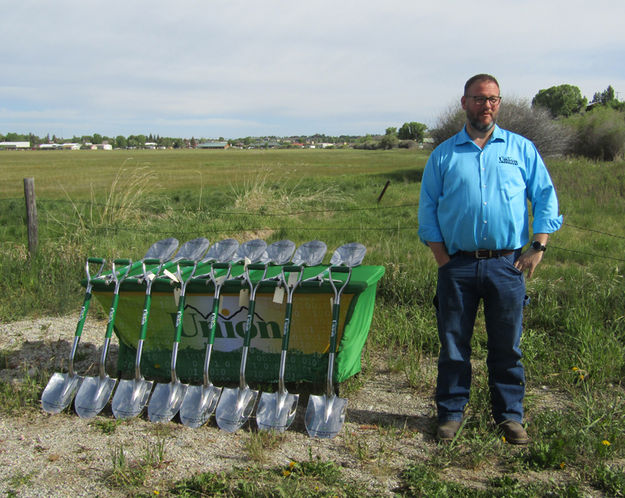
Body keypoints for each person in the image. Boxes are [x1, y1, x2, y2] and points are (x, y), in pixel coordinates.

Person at [417, 74, 562, 444]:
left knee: (507, 347)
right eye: (479, 99)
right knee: (453, 347)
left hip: (507, 265)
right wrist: (441, 257)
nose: (487, 106)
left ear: (500, 103)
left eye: (493, 99)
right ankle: (450, 414)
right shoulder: (445, 154)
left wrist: (538, 245)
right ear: (464, 102)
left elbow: (544, 195)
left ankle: (510, 417)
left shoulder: (521, 149)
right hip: (458, 265)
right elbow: (428, 208)